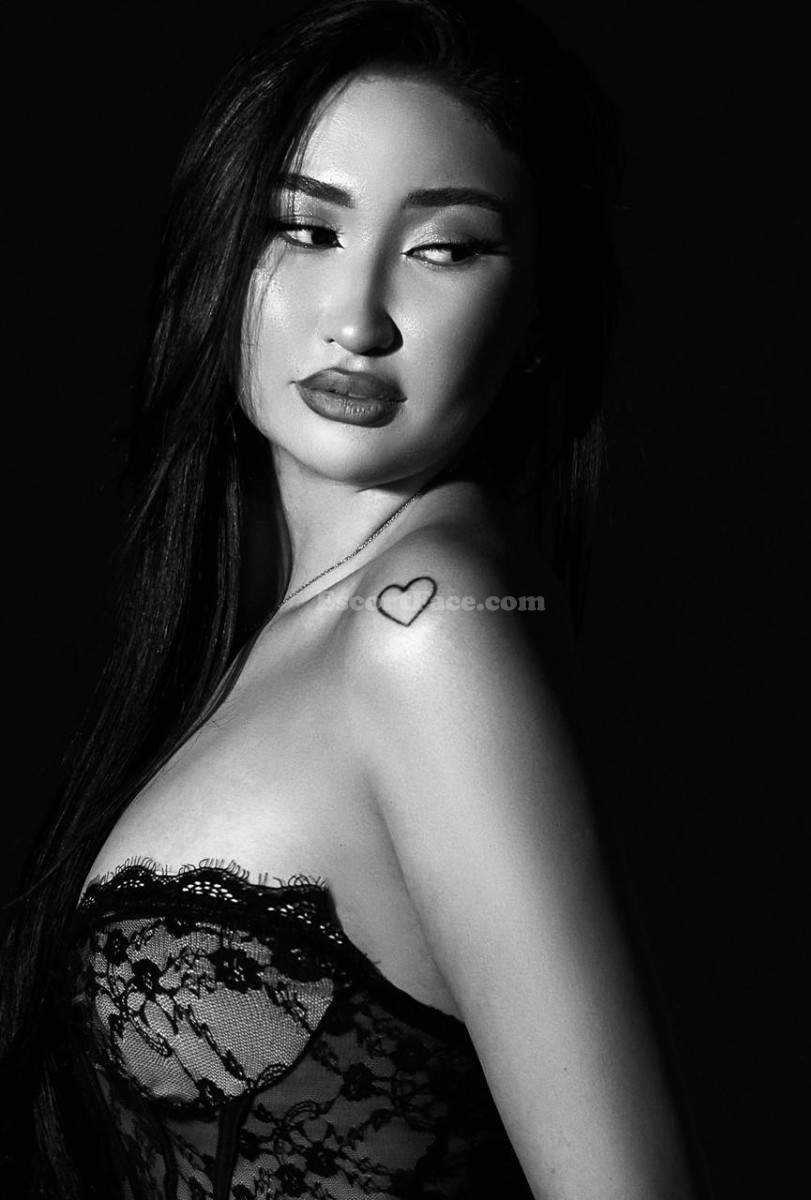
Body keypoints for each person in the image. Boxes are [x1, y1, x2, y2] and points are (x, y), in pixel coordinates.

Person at [1, 1, 698, 1196]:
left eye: (446, 249)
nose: (359, 319)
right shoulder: (295, 631)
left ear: (537, 314)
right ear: (225, 254)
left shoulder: (432, 624)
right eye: (307, 229)